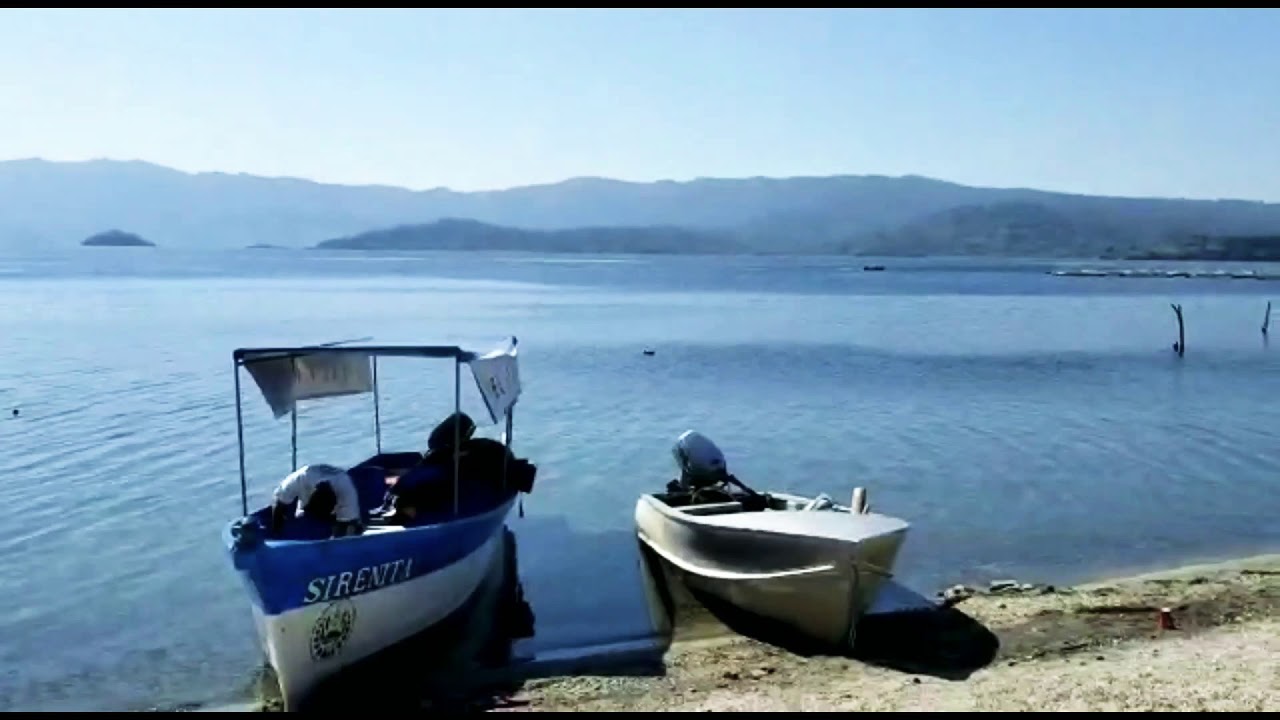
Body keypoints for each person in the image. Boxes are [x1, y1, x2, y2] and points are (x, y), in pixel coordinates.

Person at [271, 463, 364, 538]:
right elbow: (279, 502)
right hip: (307, 507)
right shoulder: (299, 479)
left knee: (350, 528)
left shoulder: (346, 492)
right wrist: (276, 532)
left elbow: (349, 524)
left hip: (332, 516)